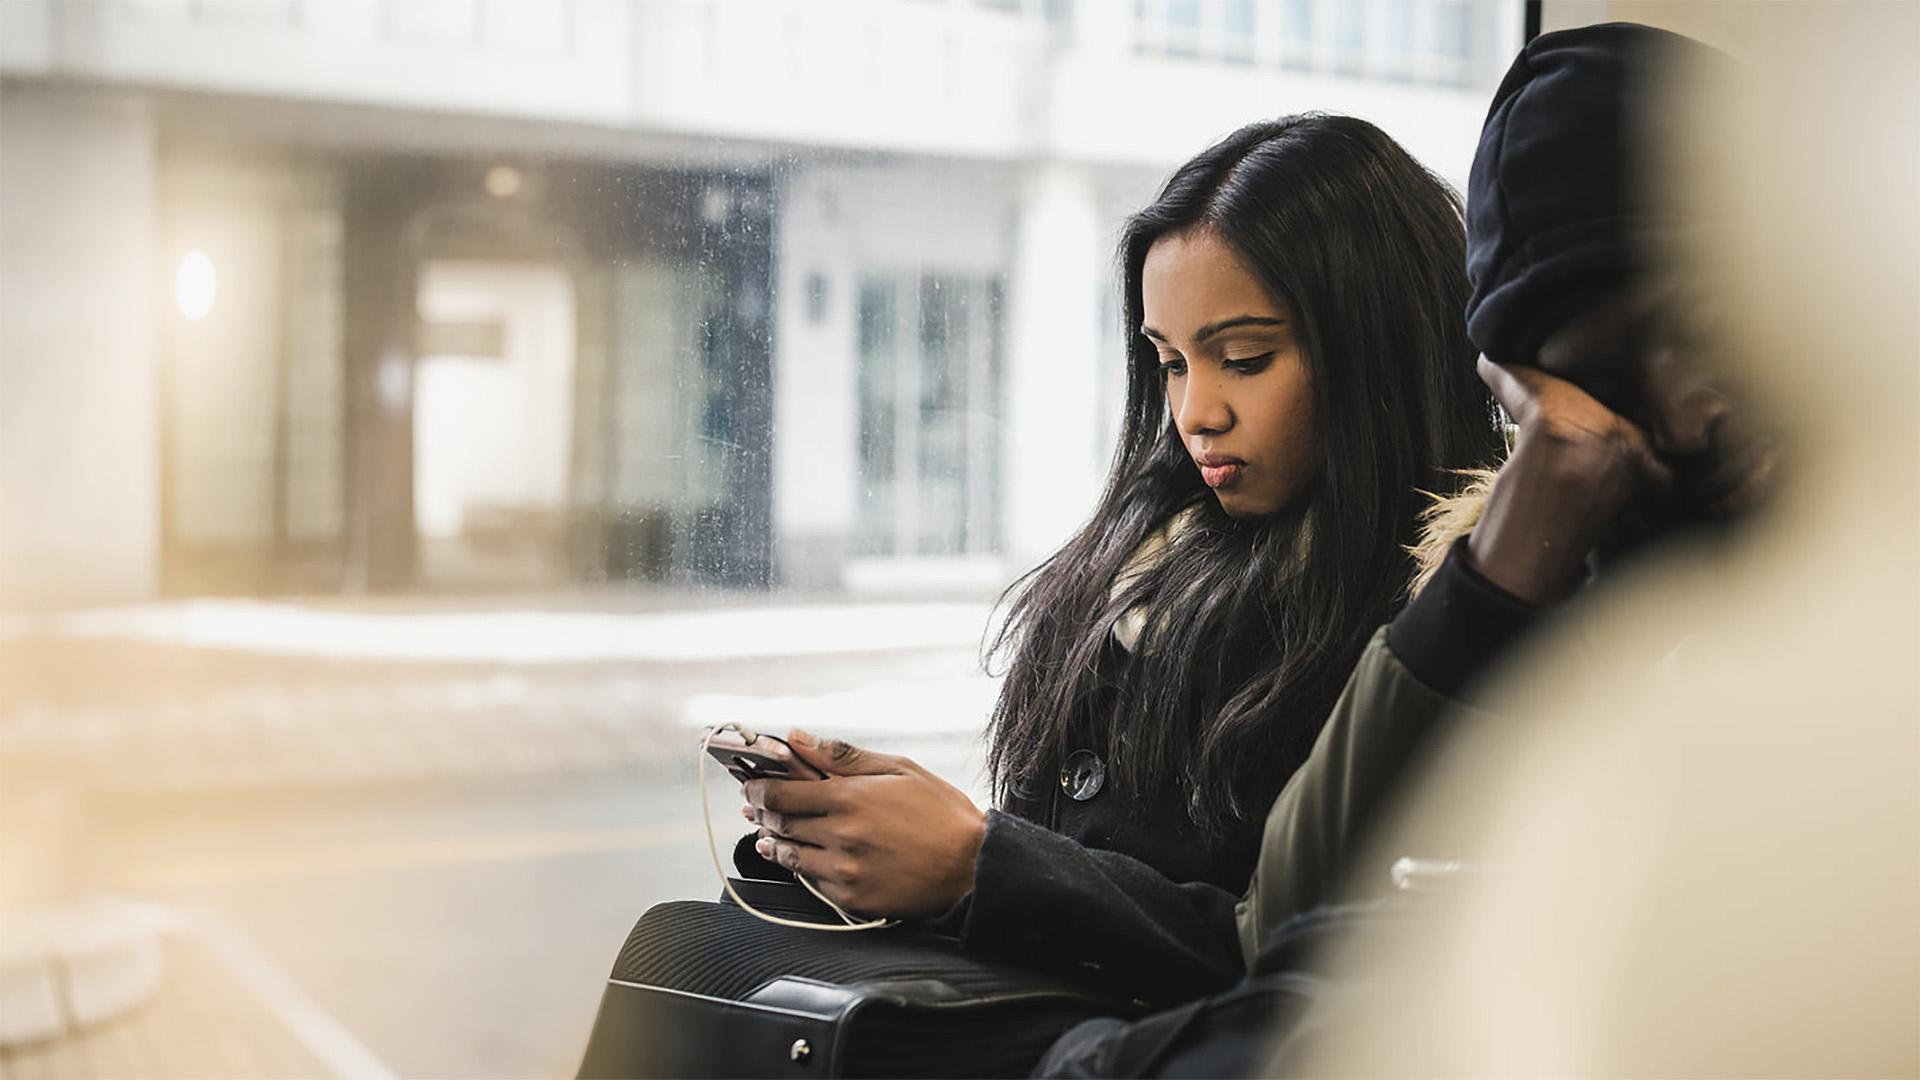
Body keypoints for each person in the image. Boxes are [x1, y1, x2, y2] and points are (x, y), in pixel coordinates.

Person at [736, 113, 1505, 1007]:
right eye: (1170, 362)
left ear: (1376, 346)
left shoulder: (1446, 615)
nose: (1195, 412)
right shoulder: (1148, 553)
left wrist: (979, 868)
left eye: (1245, 359)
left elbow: (1327, 974)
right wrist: (893, 845)